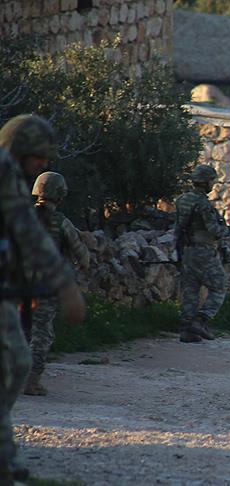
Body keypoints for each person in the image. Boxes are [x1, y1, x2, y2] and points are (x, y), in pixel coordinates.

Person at [0, 114, 86, 482]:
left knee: (17, 362)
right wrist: (65, 284)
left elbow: (26, 232)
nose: (43, 166)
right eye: (38, 157)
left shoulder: (12, 180)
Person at [23, 172, 91, 396]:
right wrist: (82, 263)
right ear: (61, 195)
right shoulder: (61, 222)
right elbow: (81, 254)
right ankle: (31, 381)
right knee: (42, 333)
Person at [174, 164, 230, 343]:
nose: (213, 184)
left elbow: (179, 228)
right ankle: (201, 320)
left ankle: (186, 330)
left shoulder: (182, 200)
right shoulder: (203, 204)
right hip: (204, 250)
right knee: (219, 285)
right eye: (212, 180)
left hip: (187, 250)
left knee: (191, 289)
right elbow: (213, 230)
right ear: (205, 181)